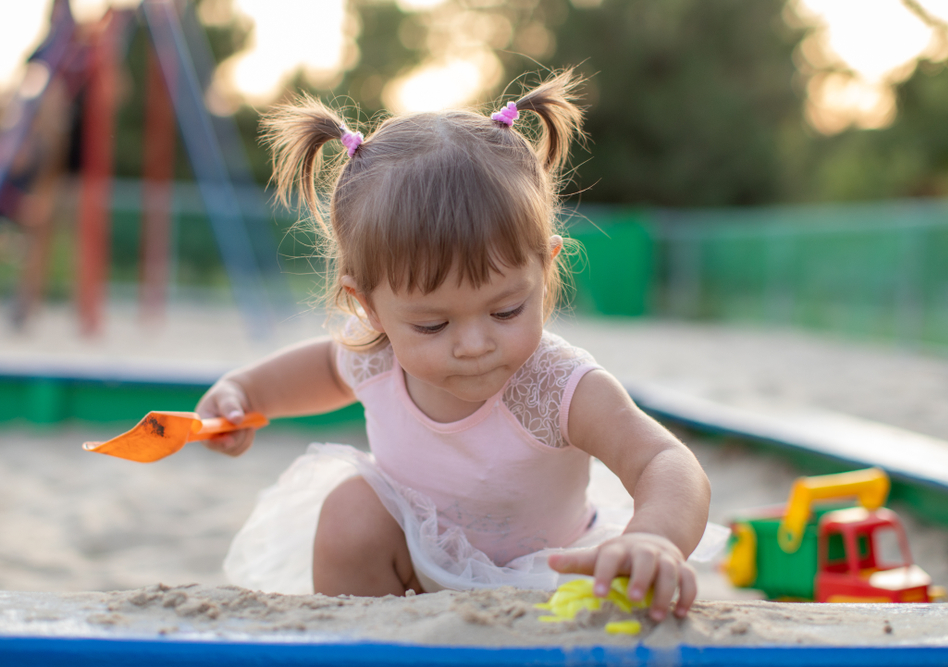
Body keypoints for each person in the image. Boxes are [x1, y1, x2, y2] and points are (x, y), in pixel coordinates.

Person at [197, 70, 717, 621]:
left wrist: (653, 538)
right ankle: (364, 640)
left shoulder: (554, 387)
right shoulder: (373, 356)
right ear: (368, 305)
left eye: (506, 310)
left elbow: (663, 459)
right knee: (351, 511)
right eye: (431, 325)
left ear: (546, 269)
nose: (473, 344)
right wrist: (242, 393)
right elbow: (316, 373)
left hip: (546, 581)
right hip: (420, 566)